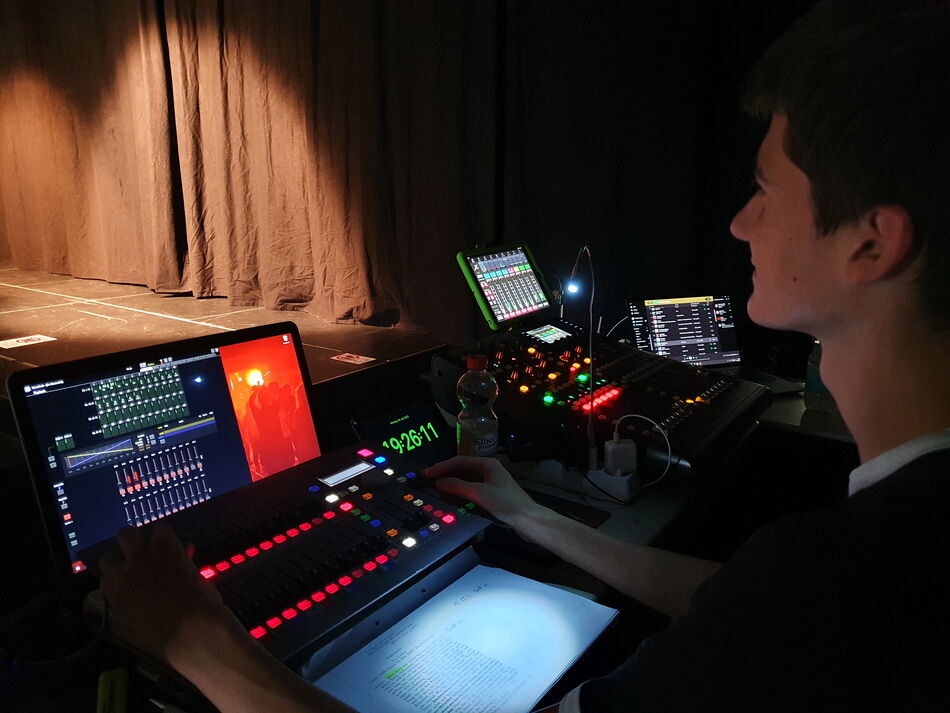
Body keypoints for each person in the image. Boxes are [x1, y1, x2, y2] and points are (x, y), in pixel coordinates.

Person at [99, 1, 950, 710]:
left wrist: (197, 641)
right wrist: (537, 518)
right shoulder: (859, 564)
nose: (739, 222)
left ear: (872, 244)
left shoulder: (847, 580)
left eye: (764, 190)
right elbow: (748, 609)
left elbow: (787, 613)